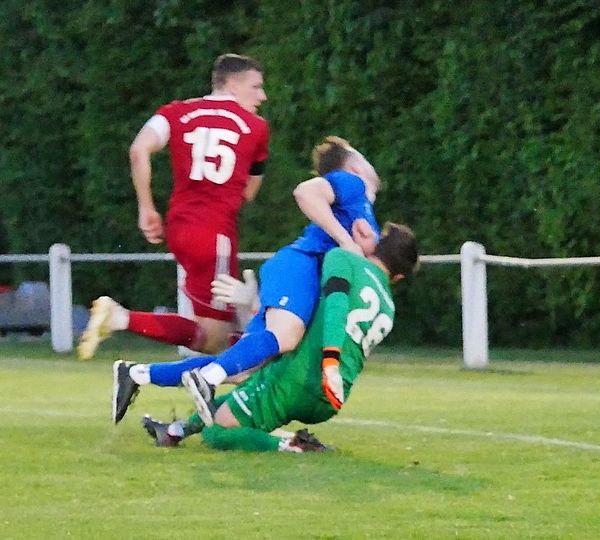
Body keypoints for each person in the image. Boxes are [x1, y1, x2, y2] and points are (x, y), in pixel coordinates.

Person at [110, 136, 382, 424]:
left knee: (245, 369)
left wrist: (356, 245)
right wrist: (346, 240)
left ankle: (136, 373)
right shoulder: (355, 186)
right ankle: (208, 378)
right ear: (353, 167)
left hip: (300, 275)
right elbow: (305, 192)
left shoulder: (363, 207)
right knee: (285, 337)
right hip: (300, 267)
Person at [141, 223, 419, 453]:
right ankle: (174, 432)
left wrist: (330, 360)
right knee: (235, 397)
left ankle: (292, 445)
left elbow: (336, 306)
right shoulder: (389, 308)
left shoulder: (344, 258)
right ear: (397, 277)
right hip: (331, 396)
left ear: (377, 244)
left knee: (217, 433)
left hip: (300, 377)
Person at [78, 53, 270, 359]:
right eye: (256, 86)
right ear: (232, 84)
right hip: (215, 234)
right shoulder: (256, 127)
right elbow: (249, 191)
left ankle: (230, 386)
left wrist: (146, 207)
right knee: (215, 340)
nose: (262, 96)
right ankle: (121, 319)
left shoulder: (176, 112)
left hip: (180, 229)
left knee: (220, 327)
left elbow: (139, 150)